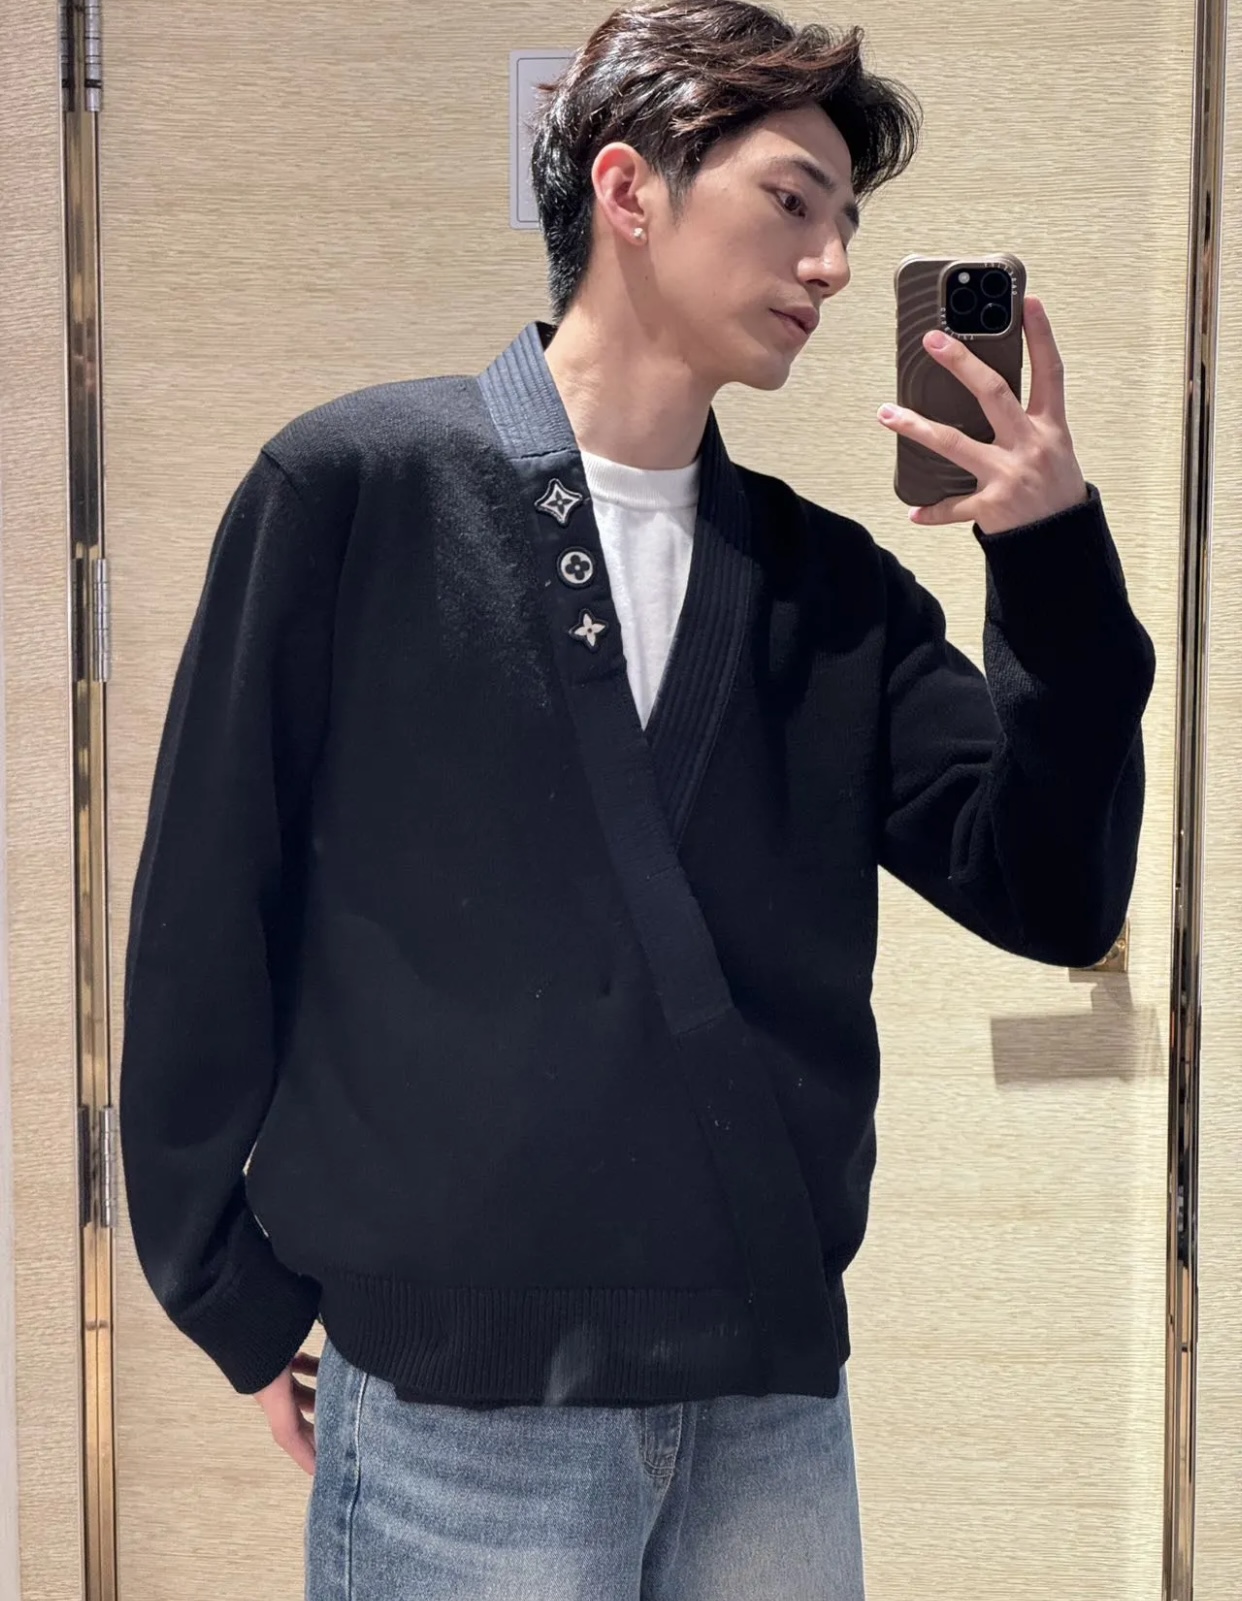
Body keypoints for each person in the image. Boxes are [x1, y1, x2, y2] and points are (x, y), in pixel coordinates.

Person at [118, 2, 1156, 1597]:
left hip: (767, 1404)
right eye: (791, 201)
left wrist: (1052, 561)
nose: (828, 264)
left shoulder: (830, 591)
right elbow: (206, 907)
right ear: (627, 189)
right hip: (459, 1407)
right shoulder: (354, 493)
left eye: (844, 222)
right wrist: (225, 1291)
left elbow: (1049, 889)